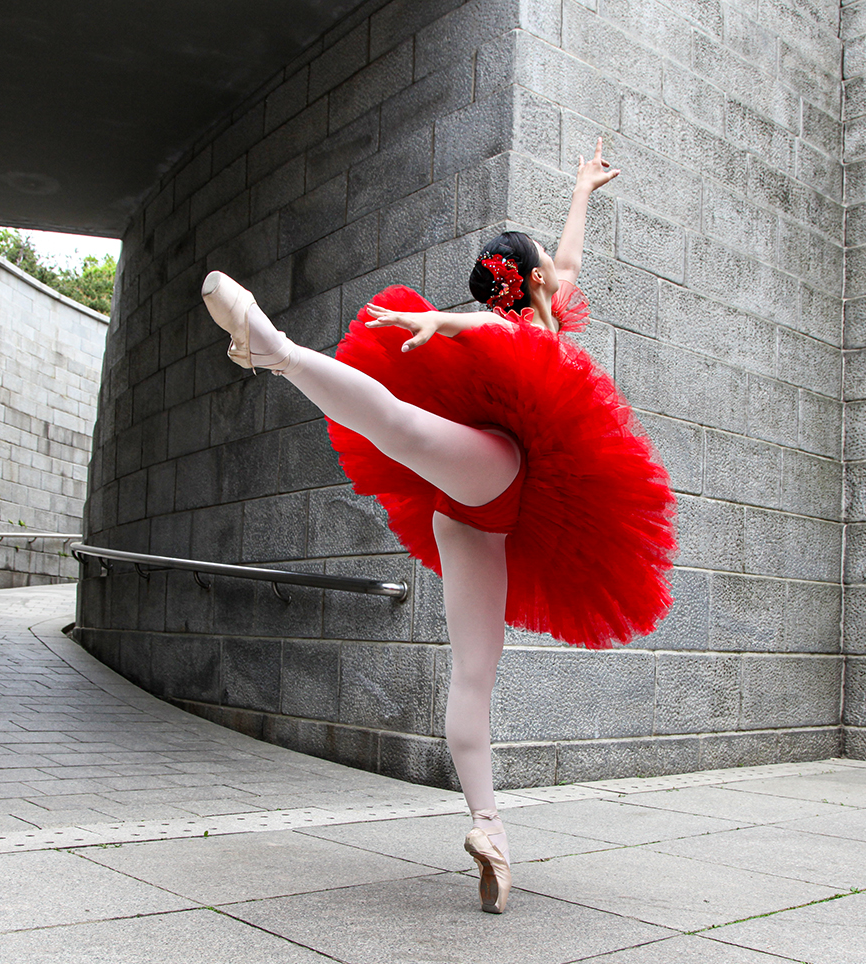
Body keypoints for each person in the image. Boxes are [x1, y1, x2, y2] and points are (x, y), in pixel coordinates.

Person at [201, 139, 675, 914]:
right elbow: (504, 331)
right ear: (531, 281)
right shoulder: (518, 327)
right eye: (545, 266)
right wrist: (448, 324)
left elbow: (565, 263)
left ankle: (490, 830)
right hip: (495, 474)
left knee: (474, 674)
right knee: (400, 428)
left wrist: (583, 190)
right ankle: (274, 348)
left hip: (471, 522)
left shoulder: (542, 306)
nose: (559, 269)